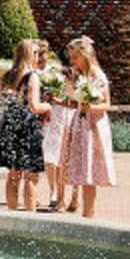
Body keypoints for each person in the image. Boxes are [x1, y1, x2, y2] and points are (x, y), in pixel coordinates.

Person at [56, 35, 116, 217]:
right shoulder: (80, 75)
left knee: (89, 172)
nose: (72, 61)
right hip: (80, 124)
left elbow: (107, 104)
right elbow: (76, 103)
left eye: (75, 57)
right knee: (81, 171)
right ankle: (85, 212)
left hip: (94, 126)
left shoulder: (97, 74)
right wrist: (58, 101)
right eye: (71, 58)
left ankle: (88, 214)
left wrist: (91, 107)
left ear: (85, 55)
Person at [0, 38, 48, 211]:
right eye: (35, 53)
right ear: (28, 55)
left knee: (13, 174)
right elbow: (34, 106)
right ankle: (29, 219)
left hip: (10, 126)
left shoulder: (8, 75)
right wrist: (49, 107)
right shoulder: (32, 77)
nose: (37, 56)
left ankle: (12, 214)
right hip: (27, 127)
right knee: (31, 176)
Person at [40, 44, 75, 213]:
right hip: (52, 115)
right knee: (50, 154)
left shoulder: (76, 73)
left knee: (67, 156)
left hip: (68, 115)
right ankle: (54, 192)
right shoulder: (52, 71)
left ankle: (72, 196)